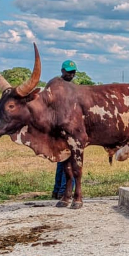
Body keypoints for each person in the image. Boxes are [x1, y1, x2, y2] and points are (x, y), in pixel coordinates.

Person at [52, 60, 77, 200]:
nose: (71, 74)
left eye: (73, 72)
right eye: (68, 71)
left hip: (64, 128)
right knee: (70, 162)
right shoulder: (57, 87)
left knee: (62, 161)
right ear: (62, 71)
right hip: (65, 129)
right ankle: (64, 192)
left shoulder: (71, 87)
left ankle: (57, 191)